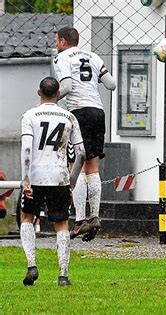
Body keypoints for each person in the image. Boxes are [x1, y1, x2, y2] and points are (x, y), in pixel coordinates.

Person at [20, 77, 86, 286]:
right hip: (59, 176)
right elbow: (81, 153)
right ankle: (63, 274)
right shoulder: (69, 117)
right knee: (61, 223)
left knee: (27, 217)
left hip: (36, 175)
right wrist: (72, 179)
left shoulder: (29, 115)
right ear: (58, 94)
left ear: (39, 92)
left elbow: (27, 149)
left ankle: (32, 265)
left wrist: (26, 179)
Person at [54, 26, 116, 241]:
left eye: (56, 41)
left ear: (62, 41)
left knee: (76, 166)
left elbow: (68, 86)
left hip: (78, 112)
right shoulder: (94, 56)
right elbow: (111, 84)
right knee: (93, 167)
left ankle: (80, 220)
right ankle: (95, 215)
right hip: (98, 112)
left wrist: (52, 98)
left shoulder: (61, 57)